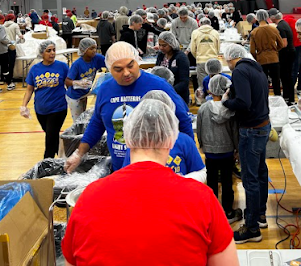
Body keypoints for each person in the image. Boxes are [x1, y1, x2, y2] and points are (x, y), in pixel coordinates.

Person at [62, 98, 238, 266]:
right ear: (171, 139)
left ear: (128, 138)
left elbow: (71, 260)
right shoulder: (202, 199)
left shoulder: (89, 197)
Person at [64, 42, 194, 173]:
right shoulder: (105, 89)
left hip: (156, 170)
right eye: (118, 69)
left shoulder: (159, 86)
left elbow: (183, 120)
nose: (126, 73)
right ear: (109, 69)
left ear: (138, 60)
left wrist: (190, 159)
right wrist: (79, 154)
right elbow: (96, 124)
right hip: (121, 170)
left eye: (130, 66)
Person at [222, 44, 270, 244]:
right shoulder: (255, 68)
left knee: (249, 179)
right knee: (260, 173)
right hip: (263, 125)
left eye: (227, 61)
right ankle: (259, 215)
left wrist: (226, 101)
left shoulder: (240, 71)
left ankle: (251, 229)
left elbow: (243, 102)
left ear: (232, 58)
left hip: (250, 130)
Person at [122, 90, 206, 182]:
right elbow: (126, 174)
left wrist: (179, 181)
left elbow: (201, 172)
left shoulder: (183, 141)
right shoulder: (136, 143)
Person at [197, 75, 241, 223]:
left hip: (210, 151)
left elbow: (200, 128)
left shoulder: (203, 108)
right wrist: (237, 149)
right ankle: (228, 211)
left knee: (212, 181)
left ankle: (212, 212)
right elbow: (235, 131)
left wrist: (202, 145)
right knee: (228, 181)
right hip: (227, 151)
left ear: (210, 90)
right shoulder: (230, 109)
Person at [20, 40, 68, 158]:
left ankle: (46, 163)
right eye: (49, 51)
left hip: (58, 108)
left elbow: (70, 83)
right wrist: (23, 105)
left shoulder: (62, 66)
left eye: (54, 50)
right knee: (52, 136)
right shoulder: (35, 69)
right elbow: (29, 89)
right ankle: (65, 158)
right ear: (42, 53)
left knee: (50, 138)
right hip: (41, 110)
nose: (52, 53)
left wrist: (80, 85)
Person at [65, 38, 106, 122]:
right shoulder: (77, 64)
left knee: (83, 118)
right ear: (84, 50)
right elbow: (67, 81)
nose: (94, 50)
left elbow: (109, 62)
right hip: (74, 96)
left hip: (85, 93)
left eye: (95, 48)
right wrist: (78, 83)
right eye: (91, 49)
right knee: (78, 121)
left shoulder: (97, 58)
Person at [250, 9, 284, 96]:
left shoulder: (254, 32)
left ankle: (264, 100)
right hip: (274, 58)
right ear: (267, 17)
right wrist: (274, 51)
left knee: (263, 82)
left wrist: (257, 57)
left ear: (257, 18)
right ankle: (278, 99)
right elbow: (281, 44)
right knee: (276, 82)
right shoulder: (273, 29)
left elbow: (252, 51)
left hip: (261, 59)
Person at [269, 10, 296, 105]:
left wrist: (273, 49)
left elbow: (284, 44)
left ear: (273, 17)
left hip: (286, 54)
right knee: (287, 77)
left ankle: (289, 98)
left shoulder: (280, 27)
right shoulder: (284, 23)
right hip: (289, 53)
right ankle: (288, 97)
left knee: (285, 77)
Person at [156, 31, 190, 104]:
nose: (161, 48)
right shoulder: (161, 55)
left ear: (172, 44)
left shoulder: (181, 57)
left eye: (164, 45)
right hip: (162, 95)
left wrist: (169, 90)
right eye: (160, 45)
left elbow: (184, 81)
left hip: (178, 95)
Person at [190, 17, 220, 87]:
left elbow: (193, 49)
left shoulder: (195, 33)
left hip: (201, 61)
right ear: (210, 24)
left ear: (199, 24)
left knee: (202, 84)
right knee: (214, 84)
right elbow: (218, 48)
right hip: (213, 60)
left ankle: (203, 98)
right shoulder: (215, 33)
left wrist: (198, 56)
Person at [284, 14, 301, 96]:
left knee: (294, 68)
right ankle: (300, 87)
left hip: (296, 46)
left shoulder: (284, 23)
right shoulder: (296, 22)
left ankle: (290, 89)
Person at [3, 14, 24, 91]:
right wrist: (23, 38)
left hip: (4, 47)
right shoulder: (15, 25)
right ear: (13, 18)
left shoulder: (3, 26)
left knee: (5, 64)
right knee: (11, 64)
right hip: (12, 46)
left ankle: (5, 80)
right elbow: (20, 35)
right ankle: (10, 81)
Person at [0, 23, 12, 90]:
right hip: (1, 51)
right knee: (5, 68)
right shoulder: (1, 27)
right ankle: (9, 84)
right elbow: (2, 39)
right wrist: (10, 42)